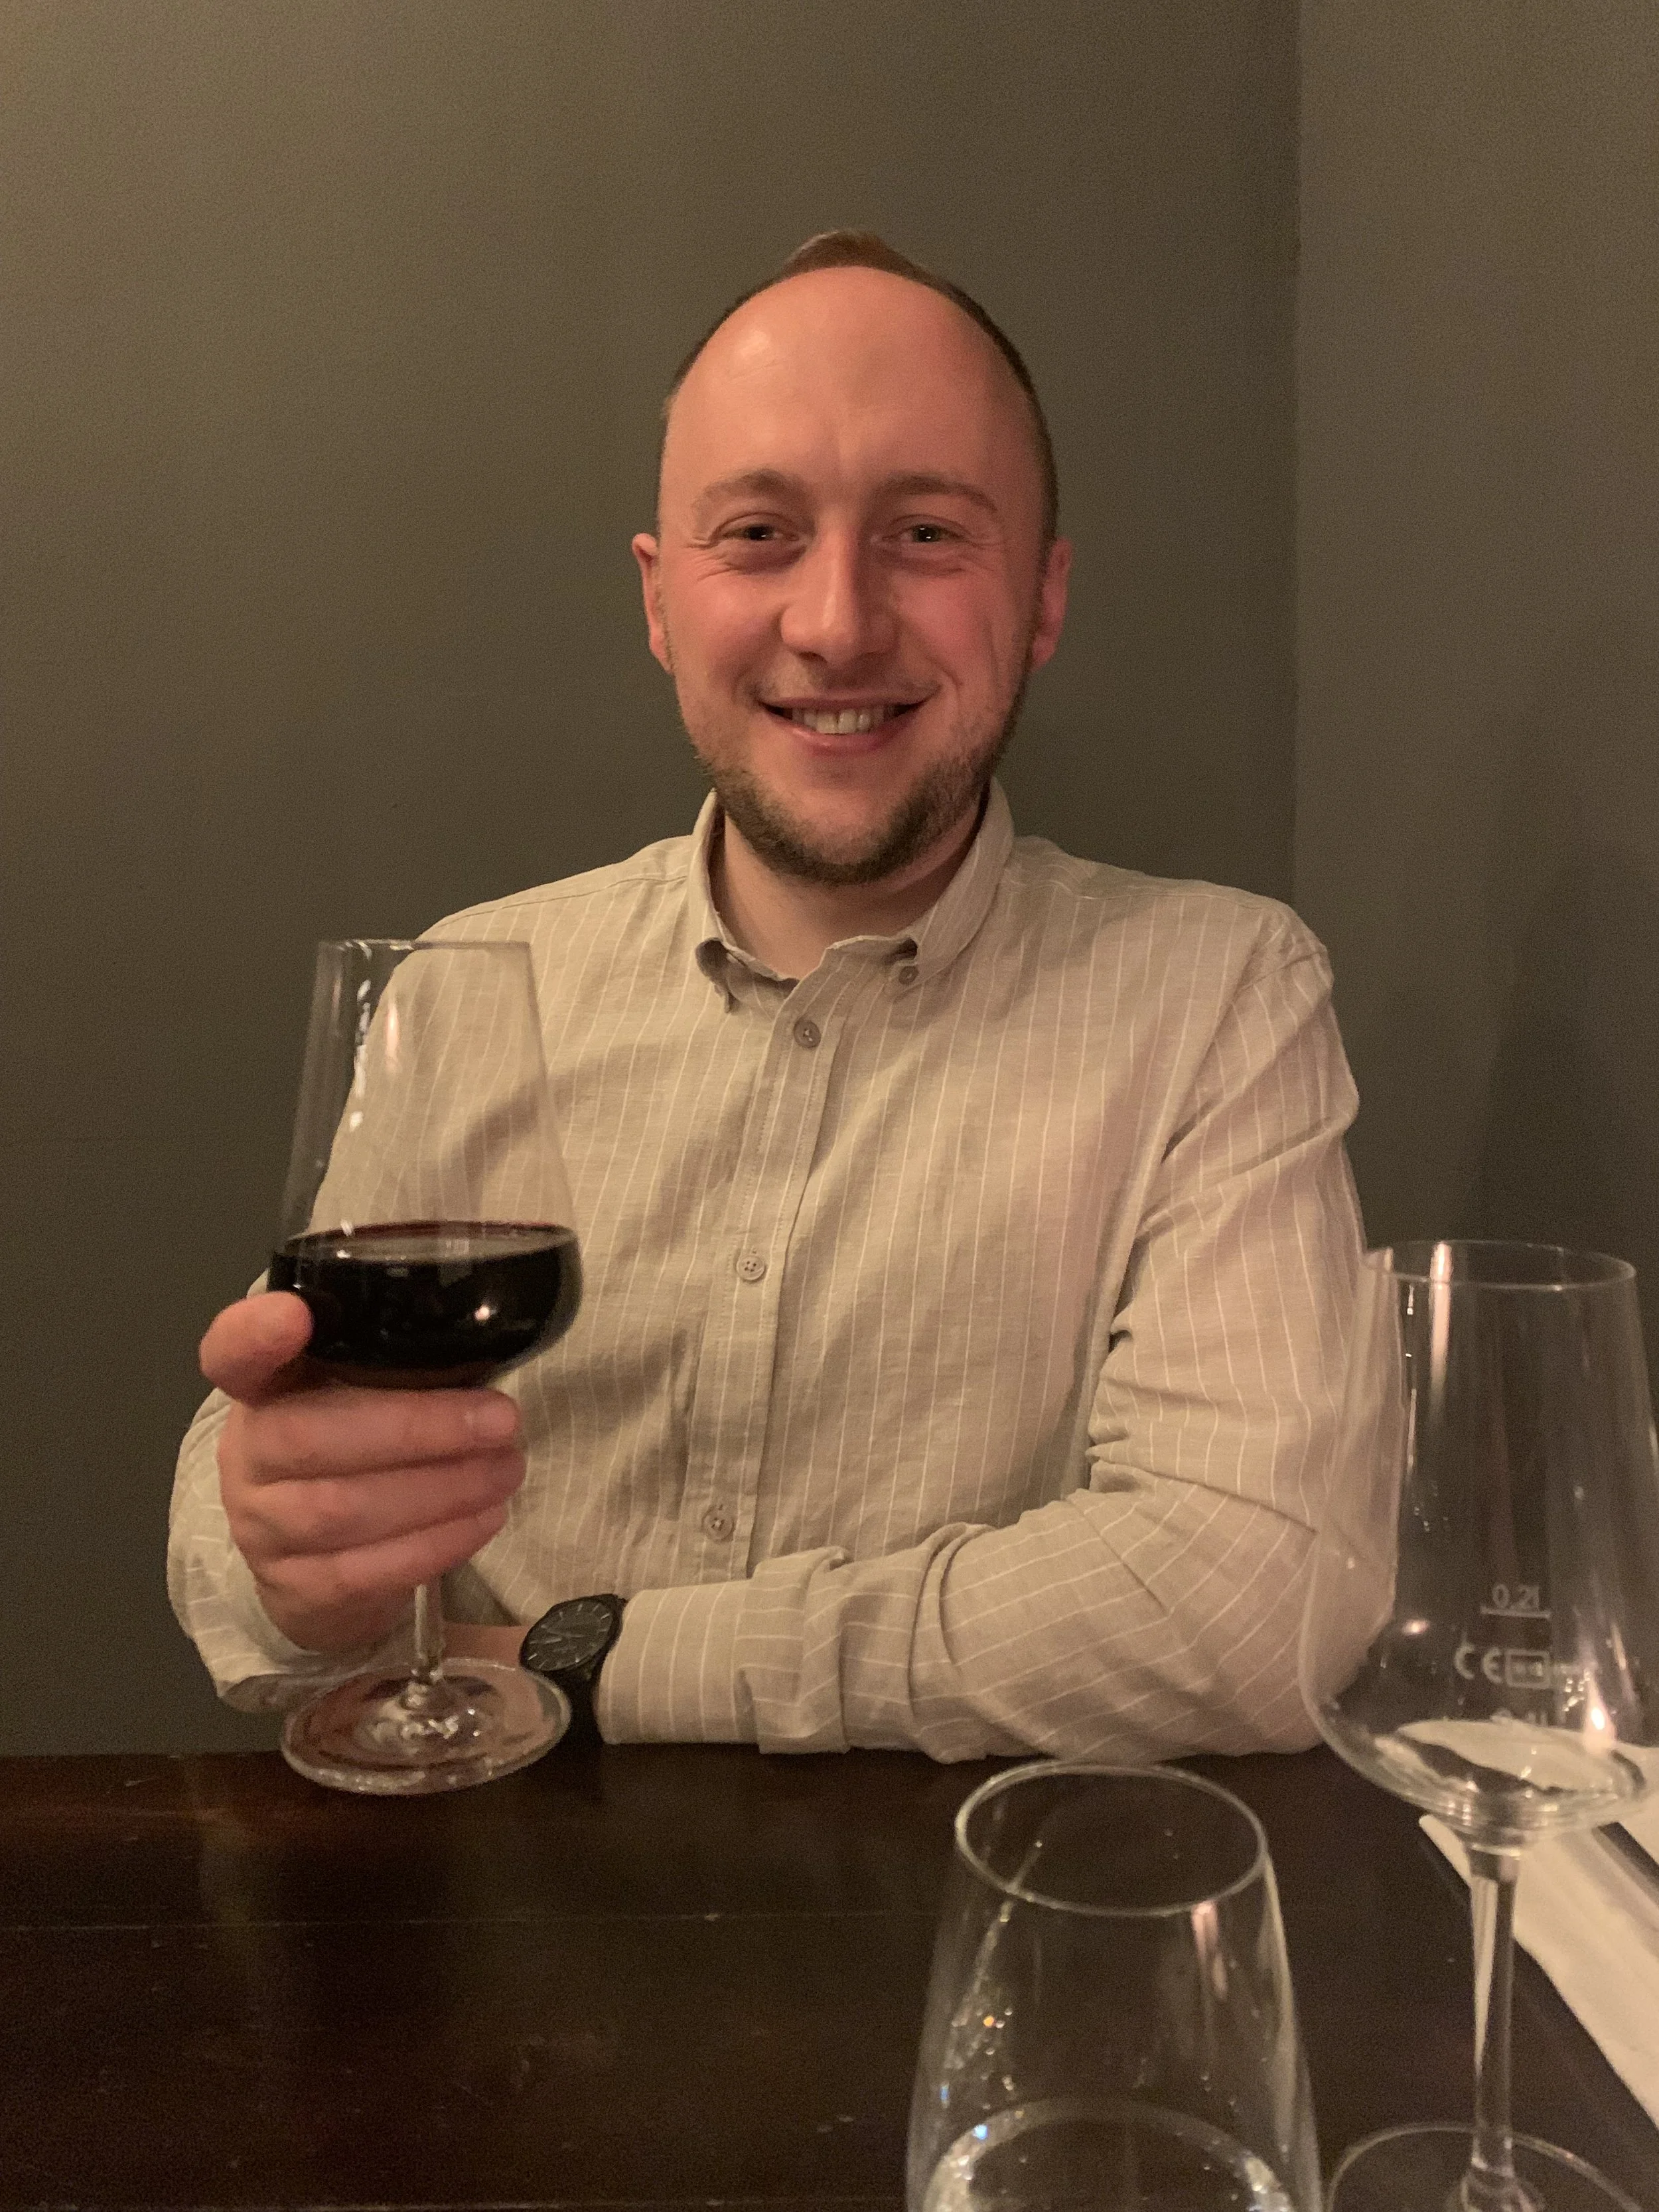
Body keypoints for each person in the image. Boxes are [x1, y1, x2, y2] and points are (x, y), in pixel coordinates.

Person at [170, 231, 1363, 1760]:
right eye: (757, 534)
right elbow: (246, 1523)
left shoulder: (1221, 1000)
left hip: (963, 1900)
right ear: (660, 602)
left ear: (1042, 600)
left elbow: (1248, 1605)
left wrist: (582, 1660)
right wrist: (286, 1559)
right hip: (477, 1892)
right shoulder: (466, 985)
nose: (835, 623)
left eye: (925, 531)